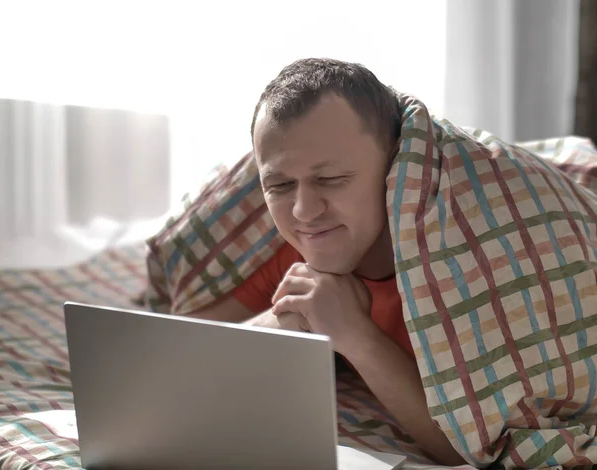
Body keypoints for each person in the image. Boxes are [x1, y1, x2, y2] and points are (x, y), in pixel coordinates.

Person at [191, 58, 465, 466]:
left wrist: (354, 334)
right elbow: (185, 351)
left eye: (331, 179)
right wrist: (285, 319)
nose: (303, 211)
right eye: (280, 185)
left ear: (395, 169)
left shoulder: (451, 266)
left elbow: (470, 446)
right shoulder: (299, 248)